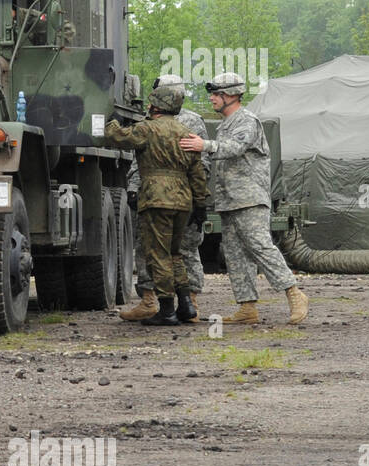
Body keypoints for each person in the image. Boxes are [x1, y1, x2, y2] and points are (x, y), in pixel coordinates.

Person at [181, 72, 308, 325]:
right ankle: (247, 307)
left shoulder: (246, 121)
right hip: (230, 200)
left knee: (260, 246)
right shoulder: (226, 123)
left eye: (217, 94)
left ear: (231, 95)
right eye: (213, 93)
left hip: (249, 199)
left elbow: (235, 148)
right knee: (235, 253)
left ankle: (294, 293)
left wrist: (203, 145)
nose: (212, 98)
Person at [104, 84, 208, 325]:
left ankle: (167, 310)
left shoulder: (147, 129)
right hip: (183, 199)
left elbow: (115, 137)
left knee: (158, 254)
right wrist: (201, 204)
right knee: (174, 254)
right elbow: (198, 173)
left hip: (156, 197)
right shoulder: (186, 133)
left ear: (156, 106)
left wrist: (113, 121)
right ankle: (186, 305)